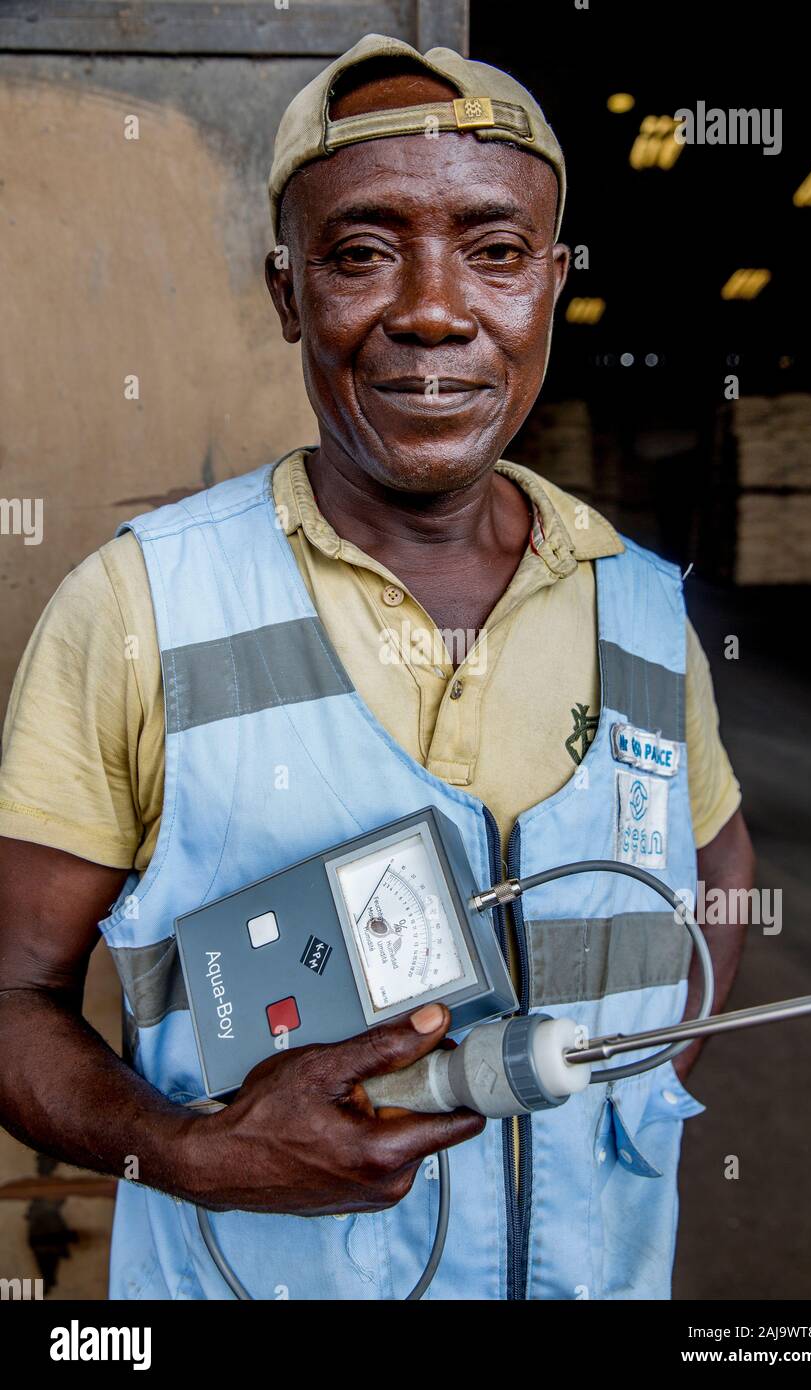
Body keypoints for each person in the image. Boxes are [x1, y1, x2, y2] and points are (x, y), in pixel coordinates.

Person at [0, 33, 753, 1300]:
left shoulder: (635, 602)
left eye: (495, 250)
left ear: (551, 283)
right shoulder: (141, 605)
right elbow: (10, 989)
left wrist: (639, 1076)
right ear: (289, 292)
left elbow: (716, 861)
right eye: (360, 251)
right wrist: (186, 1147)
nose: (432, 309)